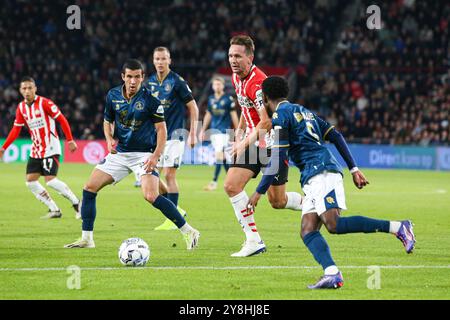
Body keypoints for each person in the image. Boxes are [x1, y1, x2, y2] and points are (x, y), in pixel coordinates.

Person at [247, 76, 416, 289]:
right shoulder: (304, 111)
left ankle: (399, 227)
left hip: (322, 171)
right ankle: (332, 272)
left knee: (334, 224)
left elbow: (278, 158)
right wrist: (353, 168)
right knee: (308, 230)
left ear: (265, 98)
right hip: (313, 174)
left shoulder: (280, 115)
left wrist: (259, 191)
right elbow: (335, 135)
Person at [64, 59, 200, 249]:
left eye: (137, 77)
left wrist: (155, 157)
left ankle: (189, 231)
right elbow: (107, 120)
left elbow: (162, 130)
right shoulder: (112, 95)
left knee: (150, 195)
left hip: (144, 154)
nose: (133, 81)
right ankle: (87, 239)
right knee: (89, 188)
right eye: (129, 76)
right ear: (123, 77)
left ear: (143, 78)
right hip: (120, 154)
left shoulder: (151, 101)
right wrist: (109, 138)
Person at [224, 35, 304, 257]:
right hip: (254, 142)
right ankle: (253, 240)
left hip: (273, 145)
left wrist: (242, 142)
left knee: (277, 201)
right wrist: (239, 132)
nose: (233, 60)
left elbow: (266, 121)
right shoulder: (236, 77)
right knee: (231, 185)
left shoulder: (258, 84)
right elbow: (244, 106)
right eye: (230, 55)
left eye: (238, 56)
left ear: (250, 58)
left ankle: (312, 202)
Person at [0, 76, 81, 219]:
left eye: (30, 88)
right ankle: (54, 209)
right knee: (30, 181)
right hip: (36, 149)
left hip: (50, 146)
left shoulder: (45, 103)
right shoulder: (21, 107)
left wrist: (70, 140)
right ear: (20, 90)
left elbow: (62, 119)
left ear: (35, 89)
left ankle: (77, 204)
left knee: (51, 180)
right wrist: (4, 147)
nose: (27, 91)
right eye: (24, 88)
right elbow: (16, 129)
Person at [146, 47, 199, 231]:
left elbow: (193, 107)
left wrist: (193, 132)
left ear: (169, 60)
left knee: (169, 174)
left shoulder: (177, 81)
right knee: (152, 176)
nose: (160, 62)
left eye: (163, 58)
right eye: (157, 59)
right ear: (153, 61)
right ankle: (176, 210)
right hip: (156, 137)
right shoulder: (149, 83)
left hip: (175, 135)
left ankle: (172, 217)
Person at [200, 76, 239, 191]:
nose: (217, 86)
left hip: (223, 132)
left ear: (223, 86)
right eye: (215, 84)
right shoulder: (211, 99)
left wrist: (238, 131)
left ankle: (214, 182)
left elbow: (234, 116)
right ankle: (231, 180)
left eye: (219, 84)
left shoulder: (228, 99)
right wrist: (203, 129)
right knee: (223, 158)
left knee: (219, 156)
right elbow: (208, 114)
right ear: (212, 86)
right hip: (214, 132)